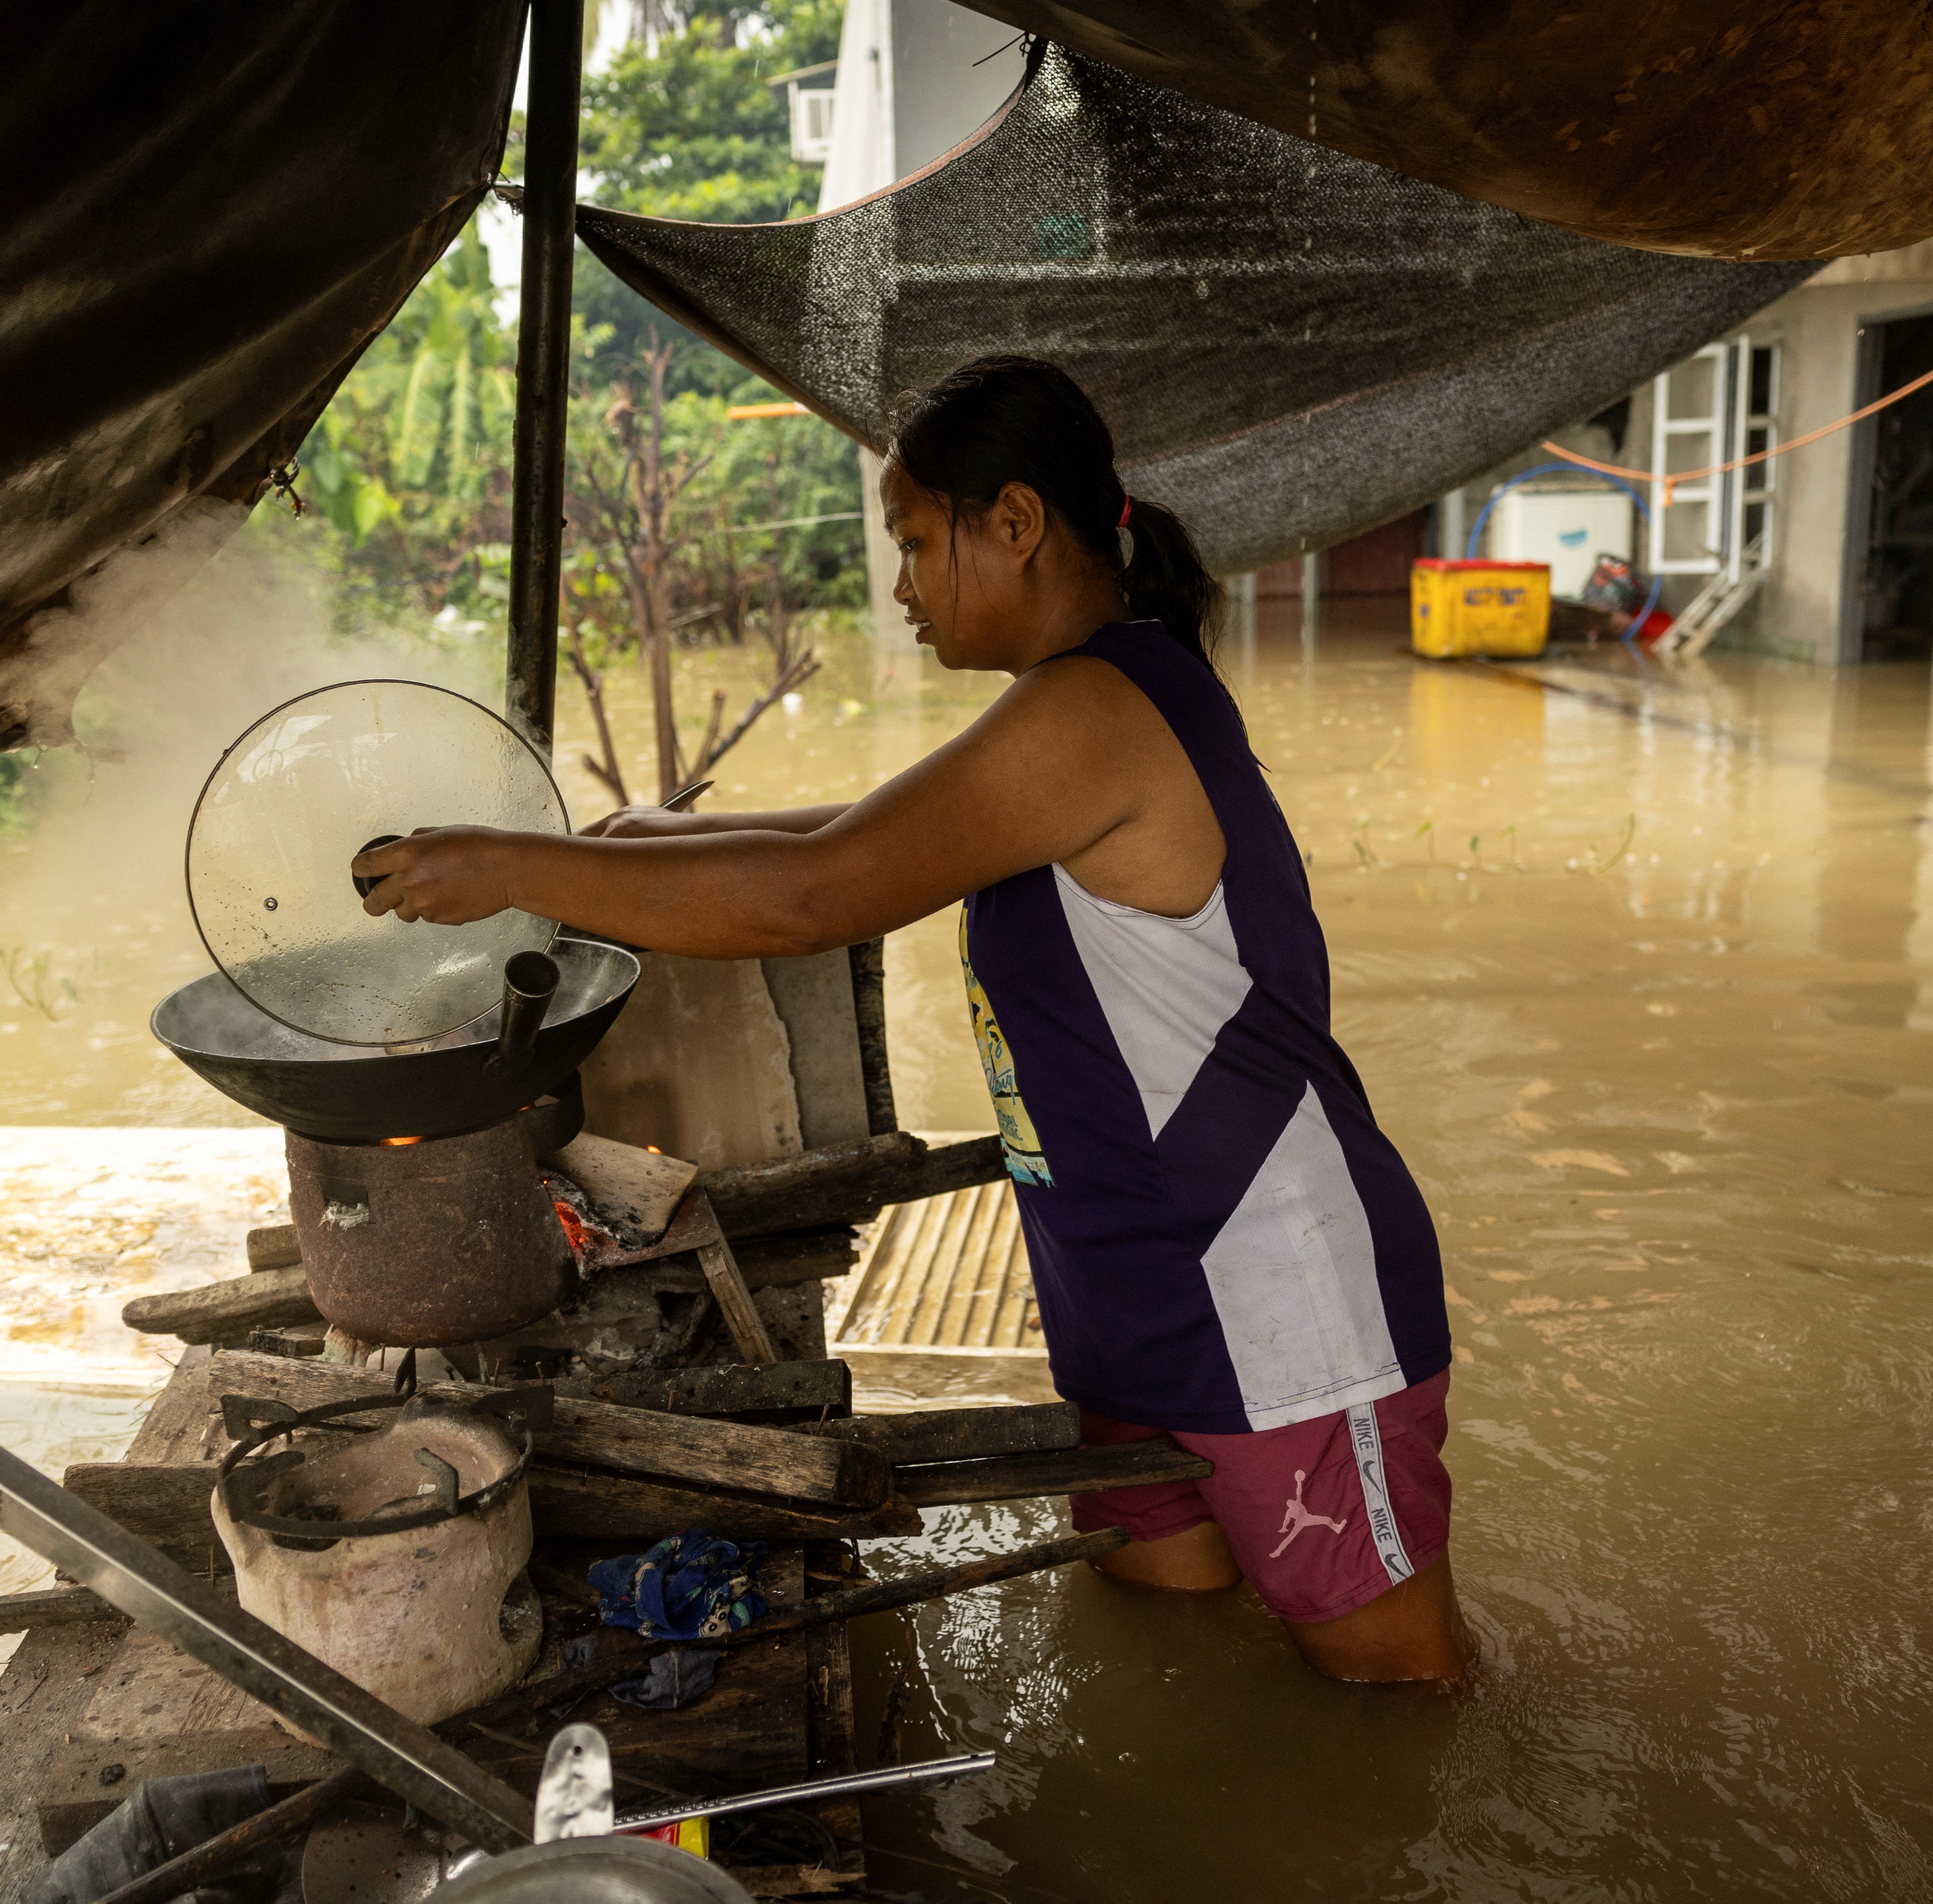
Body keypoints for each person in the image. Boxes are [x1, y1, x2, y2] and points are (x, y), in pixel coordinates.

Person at [354, 354, 1470, 1683]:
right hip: (1138, 1296)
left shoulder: (1097, 706)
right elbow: (863, 835)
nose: (898, 584)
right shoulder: (1072, 708)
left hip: (1278, 1308)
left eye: (913, 540)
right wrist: (650, 838)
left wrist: (510, 866)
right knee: (1170, 1668)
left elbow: (818, 892)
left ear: (1012, 521)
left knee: (1408, 1708)